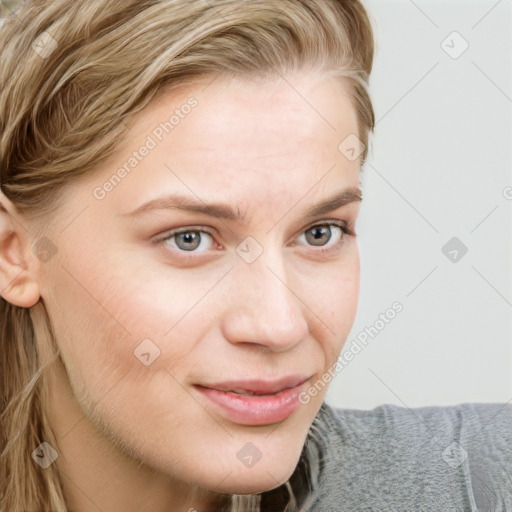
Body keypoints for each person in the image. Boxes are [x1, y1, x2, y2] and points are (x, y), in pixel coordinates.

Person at [0, 1, 510, 511]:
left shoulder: (477, 481)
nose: (280, 325)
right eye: (190, 239)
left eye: (320, 232)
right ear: (14, 253)